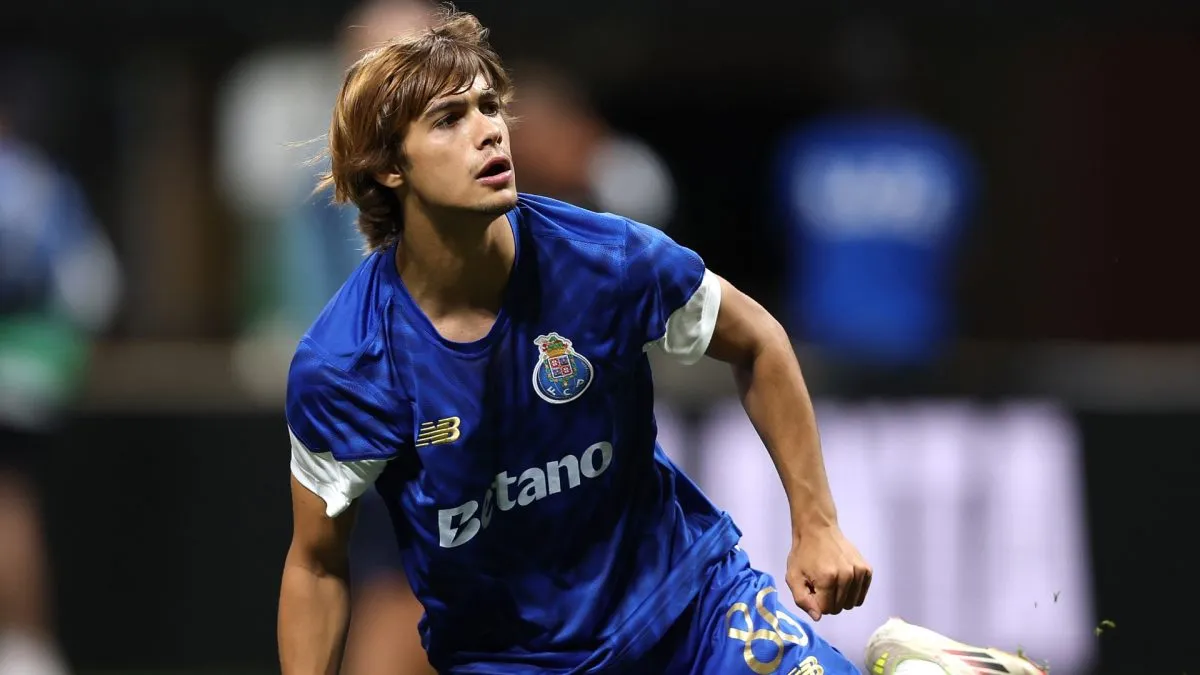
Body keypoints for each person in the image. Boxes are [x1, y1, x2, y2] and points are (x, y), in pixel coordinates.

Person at [277, 7, 1047, 674]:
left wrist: (816, 525)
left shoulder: (606, 260)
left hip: (693, 609)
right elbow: (317, 563)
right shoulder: (346, 363)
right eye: (450, 119)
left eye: (489, 106)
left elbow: (757, 340)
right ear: (388, 168)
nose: (488, 131)